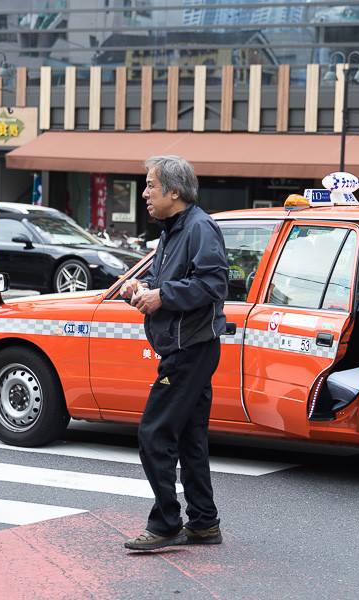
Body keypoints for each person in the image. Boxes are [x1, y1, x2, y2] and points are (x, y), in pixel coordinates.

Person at [120, 155, 229, 552]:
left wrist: (163, 295)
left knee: (153, 432)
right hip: (187, 348)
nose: (145, 193)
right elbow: (173, 280)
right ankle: (203, 522)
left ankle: (166, 522)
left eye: (151, 186)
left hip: (190, 350)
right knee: (189, 438)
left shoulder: (200, 226)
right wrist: (144, 287)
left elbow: (214, 283)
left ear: (174, 191)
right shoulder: (173, 229)